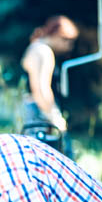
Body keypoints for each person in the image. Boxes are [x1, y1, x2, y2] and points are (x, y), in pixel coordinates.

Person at [21, 15, 79, 154]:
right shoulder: (43, 52)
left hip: (31, 110)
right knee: (58, 155)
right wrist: (54, 116)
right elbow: (40, 89)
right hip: (39, 113)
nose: (69, 46)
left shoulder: (35, 47)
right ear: (56, 34)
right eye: (67, 40)